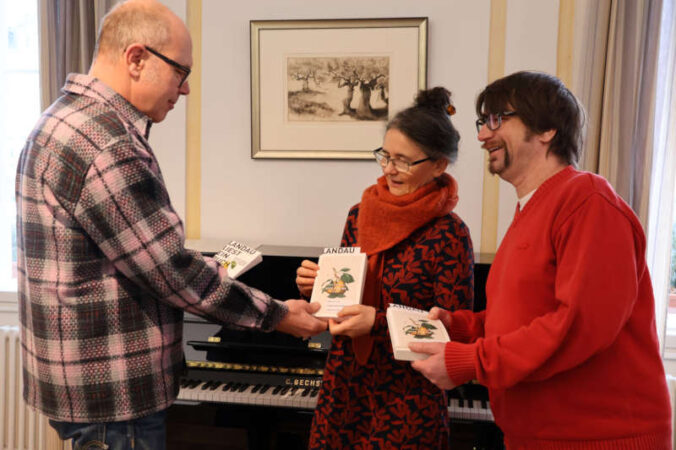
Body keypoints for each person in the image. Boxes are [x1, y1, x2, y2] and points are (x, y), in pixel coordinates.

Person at [14, 1, 325, 449]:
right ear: (136, 58)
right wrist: (277, 316)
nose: (186, 90)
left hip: (73, 382)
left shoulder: (57, 119)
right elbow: (171, 270)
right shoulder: (108, 143)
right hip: (115, 395)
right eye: (181, 72)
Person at [410, 71, 672, 449]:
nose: (483, 135)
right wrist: (462, 328)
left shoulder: (588, 200)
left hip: (597, 438)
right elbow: (527, 317)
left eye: (497, 119)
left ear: (547, 129)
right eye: (482, 122)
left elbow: (575, 326)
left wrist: (471, 361)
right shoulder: (531, 210)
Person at [295, 87, 475, 448]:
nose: (390, 169)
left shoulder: (450, 234)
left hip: (406, 398)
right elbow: (343, 296)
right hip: (344, 387)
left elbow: (450, 330)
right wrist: (317, 289)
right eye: (385, 156)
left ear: (439, 165)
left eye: (404, 161)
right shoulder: (358, 215)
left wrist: (376, 322)